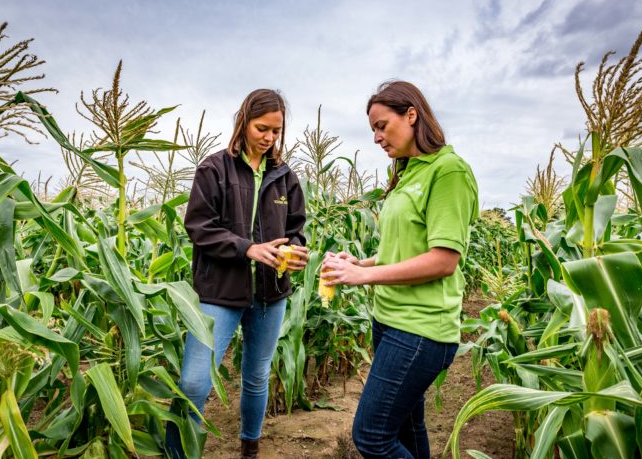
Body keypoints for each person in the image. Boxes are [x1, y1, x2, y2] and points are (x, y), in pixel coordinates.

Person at [322, 81, 478, 458]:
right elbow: (403, 250)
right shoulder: (407, 173)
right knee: (408, 428)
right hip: (390, 320)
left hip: (420, 329)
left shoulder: (448, 171)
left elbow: (443, 259)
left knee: (372, 435)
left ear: (411, 115)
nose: (376, 137)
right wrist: (361, 262)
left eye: (381, 125)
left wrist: (364, 277)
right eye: (372, 129)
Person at [166, 89, 308, 459]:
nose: (269, 137)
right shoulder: (214, 169)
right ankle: (177, 452)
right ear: (243, 122)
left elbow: (296, 226)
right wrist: (247, 248)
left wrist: (295, 249)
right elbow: (199, 227)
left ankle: (250, 446)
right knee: (194, 382)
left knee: (257, 377)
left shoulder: (284, 177)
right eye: (262, 128)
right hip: (220, 294)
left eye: (276, 131)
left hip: (269, 294)